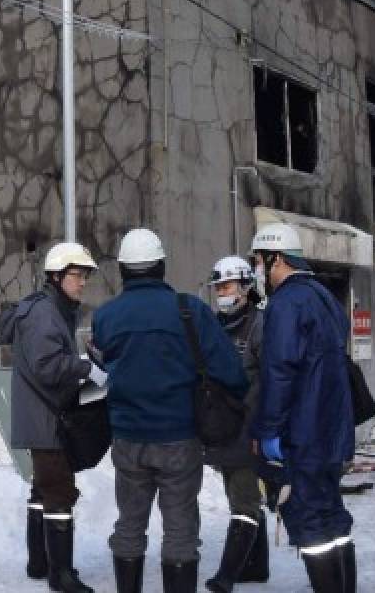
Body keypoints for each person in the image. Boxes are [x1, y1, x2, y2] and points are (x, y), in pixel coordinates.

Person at [94, 229, 247, 593]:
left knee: (129, 526)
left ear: (123, 270)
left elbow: (96, 377)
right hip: (180, 439)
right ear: (161, 266)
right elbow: (232, 374)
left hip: (128, 438)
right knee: (180, 530)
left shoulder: (106, 316)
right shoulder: (190, 311)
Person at [249, 222, 355, 593]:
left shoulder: (285, 304)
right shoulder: (324, 297)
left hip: (303, 435)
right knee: (333, 518)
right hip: (332, 433)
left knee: (310, 524)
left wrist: (267, 432)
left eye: (260, 261)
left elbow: (280, 371)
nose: (258, 270)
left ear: (276, 258)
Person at [9, 241, 104, 593]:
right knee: (59, 489)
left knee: (44, 487)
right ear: (57, 275)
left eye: (84, 277)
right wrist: (86, 368)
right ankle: (61, 575)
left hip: (42, 415)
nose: (82, 283)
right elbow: (47, 366)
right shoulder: (44, 313)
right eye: (78, 276)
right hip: (45, 419)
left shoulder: (50, 310)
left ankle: (39, 562)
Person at [202, 256, 269, 592]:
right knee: (237, 493)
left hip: (250, 426)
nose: (221, 294)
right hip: (224, 428)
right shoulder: (215, 326)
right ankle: (256, 567)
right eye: (218, 288)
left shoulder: (260, 326)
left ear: (245, 288)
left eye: (227, 286)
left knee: (244, 498)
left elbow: (271, 379)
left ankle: (227, 575)